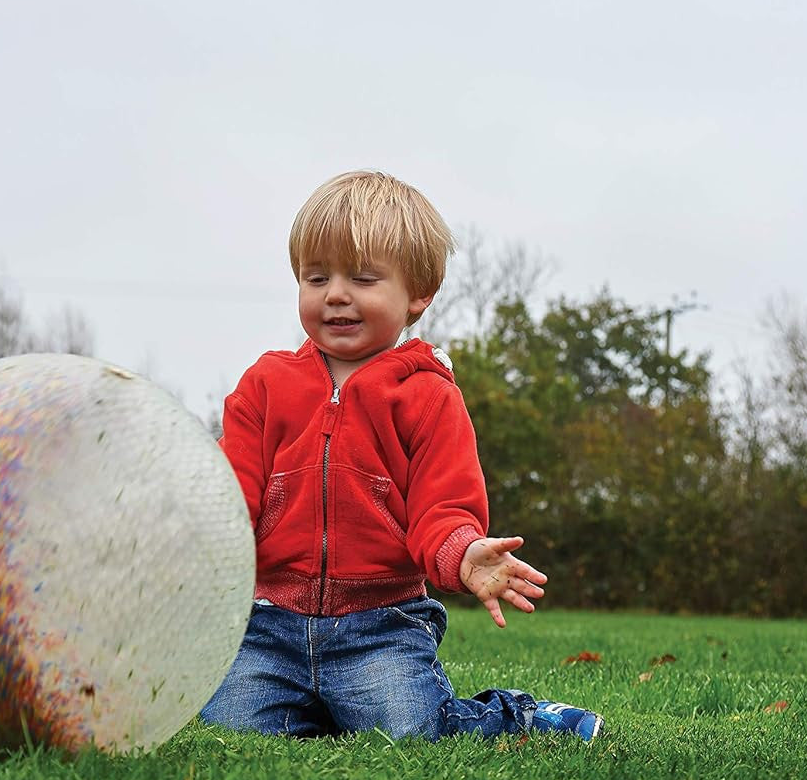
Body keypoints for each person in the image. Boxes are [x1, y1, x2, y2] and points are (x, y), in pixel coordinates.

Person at [200, 170, 603, 742]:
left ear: (418, 295)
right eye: (317, 277)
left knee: (409, 730)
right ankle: (319, 711)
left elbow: (443, 507)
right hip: (267, 624)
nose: (336, 293)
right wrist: (190, 530)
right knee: (229, 728)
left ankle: (521, 715)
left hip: (380, 626)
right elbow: (229, 490)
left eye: (362, 278)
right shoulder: (264, 387)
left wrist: (463, 554)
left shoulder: (428, 397)